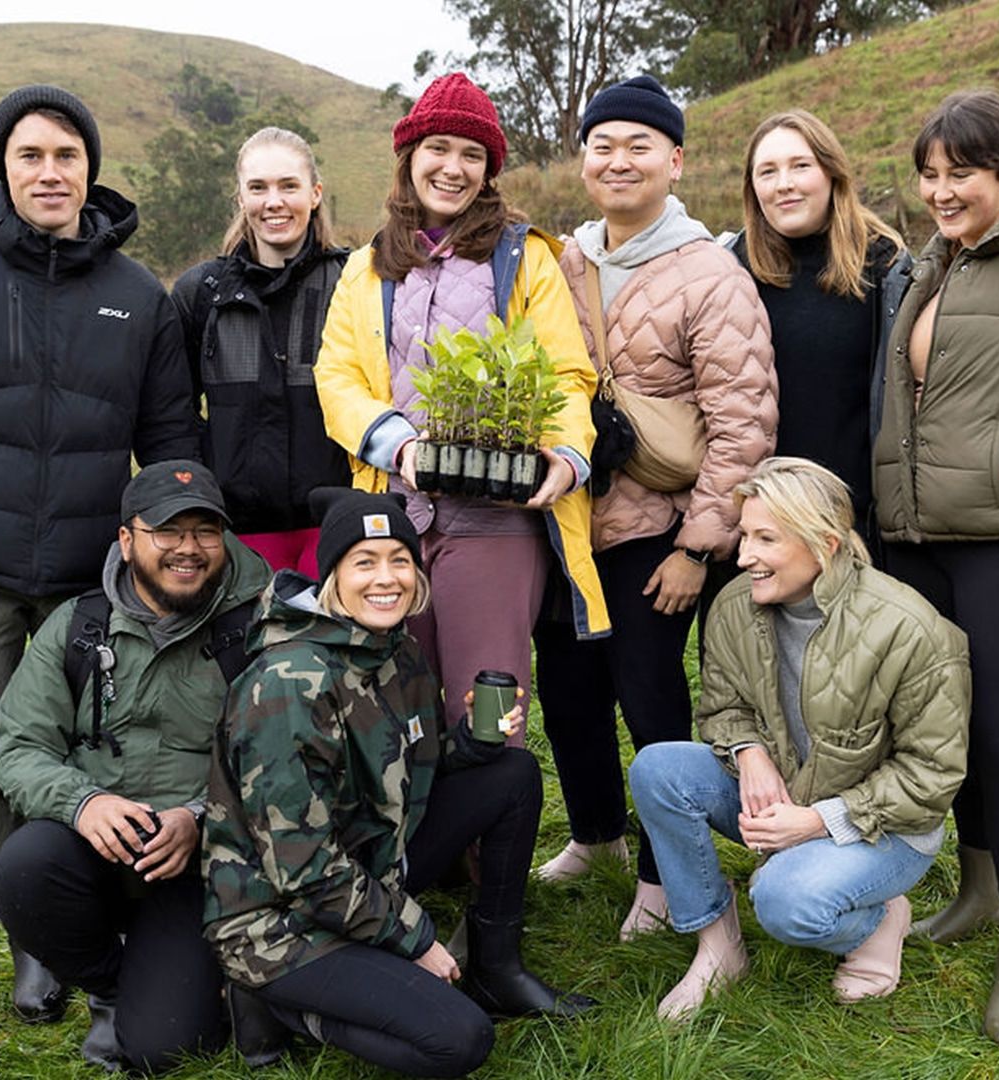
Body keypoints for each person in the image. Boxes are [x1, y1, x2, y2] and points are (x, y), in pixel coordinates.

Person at [203, 489, 594, 1078]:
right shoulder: (288, 684)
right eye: (365, 562)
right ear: (333, 573)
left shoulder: (395, 649)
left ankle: (496, 968)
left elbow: (411, 773)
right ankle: (275, 1004)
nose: (387, 578)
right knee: (457, 1040)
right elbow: (305, 873)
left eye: (400, 559)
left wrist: (474, 747)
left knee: (511, 774)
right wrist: (415, 937)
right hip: (281, 919)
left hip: (369, 863)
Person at [0, 84, 197, 1020]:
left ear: (90, 167)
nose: (49, 172)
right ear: (2, 168)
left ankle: (86, 915)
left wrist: (169, 551)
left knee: (87, 750)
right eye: (30, 156)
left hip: (87, 576)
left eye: (66, 155)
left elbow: (171, 442)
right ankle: (26, 939)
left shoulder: (139, 298)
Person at [531, 75, 777, 940]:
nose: (619, 159)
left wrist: (699, 548)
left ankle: (665, 874)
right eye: (604, 145)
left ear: (674, 161)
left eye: (640, 145)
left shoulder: (710, 272)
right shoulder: (563, 262)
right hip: (568, 525)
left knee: (649, 695)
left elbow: (742, 422)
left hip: (658, 532)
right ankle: (597, 833)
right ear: (585, 159)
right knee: (567, 688)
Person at [315, 72, 609, 734]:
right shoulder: (367, 267)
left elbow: (567, 373)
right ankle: (426, 839)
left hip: (497, 520)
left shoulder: (525, 258)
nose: (453, 167)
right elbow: (336, 376)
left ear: (489, 169)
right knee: (399, 708)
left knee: (487, 706)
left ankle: (493, 829)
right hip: (394, 521)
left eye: (472, 154)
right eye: (439, 148)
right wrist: (399, 445)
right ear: (410, 156)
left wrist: (565, 457)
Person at [628, 457, 970, 1021]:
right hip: (789, 787)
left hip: (886, 828)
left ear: (825, 544)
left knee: (786, 904)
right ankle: (718, 945)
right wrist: (749, 752)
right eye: (744, 536)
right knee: (658, 770)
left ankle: (880, 921)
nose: (743, 557)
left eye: (766, 539)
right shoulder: (737, 604)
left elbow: (931, 777)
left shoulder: (911, 629)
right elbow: (723, 708)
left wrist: (818, 822)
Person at [0, 461, 271, 1073]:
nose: (188, 549)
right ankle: (110, 985)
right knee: (24, 866)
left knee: (166, 1047)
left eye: (205, 531)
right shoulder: (78, 627)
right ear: (127, 539)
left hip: (199, 865)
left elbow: (283, 762)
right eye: (168, 531)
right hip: (93, 848)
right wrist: (83, 804)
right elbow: (18, 749)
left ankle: (171, 982)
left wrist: (199, 818)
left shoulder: (259, 629)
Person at [873, 89, 999, 1042]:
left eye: (960, 174)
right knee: (953, 728)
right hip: (919, 538)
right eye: (930, 174)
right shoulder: (930, 265)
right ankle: (976, 887)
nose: (941, 191)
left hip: (994, 534)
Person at [172, 127, 351, 576]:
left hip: (333, 528)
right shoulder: (200, 293)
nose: (274, 201)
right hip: (235, 533)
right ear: (240, 199)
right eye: (258, 188)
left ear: (314, 193)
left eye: (288, 186)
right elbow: (175, 413)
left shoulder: (353, 283)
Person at [732, 109, 910, 550]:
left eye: (800, 166)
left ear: (832, 172)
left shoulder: (887, 266)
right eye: (767, 172)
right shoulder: (730, 268)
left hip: (856, 526)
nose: (784, 184)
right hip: (757, 526)